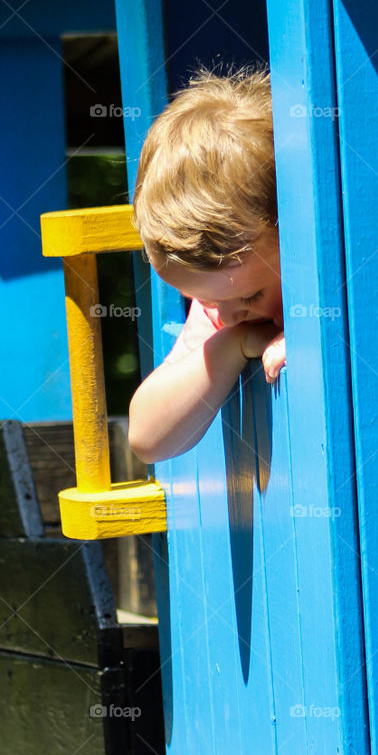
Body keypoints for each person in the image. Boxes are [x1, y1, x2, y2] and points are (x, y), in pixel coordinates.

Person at [127, 66, 286, 465]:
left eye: (252, 295)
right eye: (207, 302)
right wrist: (233, 345)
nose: (229, 316)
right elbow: (148, 438)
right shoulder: (225, 307)